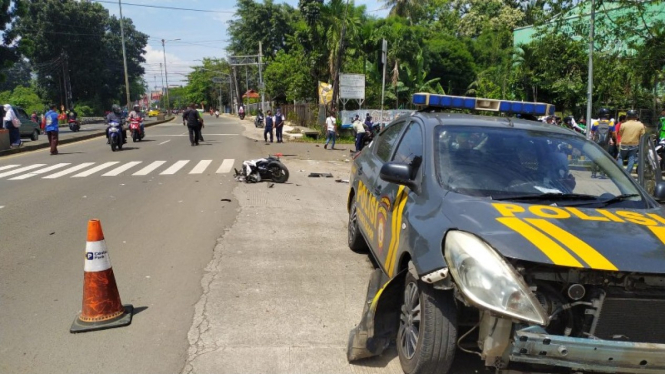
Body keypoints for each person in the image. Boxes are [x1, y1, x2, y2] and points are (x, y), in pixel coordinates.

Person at [590, 108, 615, 178]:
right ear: (607, 115)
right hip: (606, 143)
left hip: (596, 142)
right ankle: (602, 174)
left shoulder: (596, 123)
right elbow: (613, 133)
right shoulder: (611, 123)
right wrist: (611, 140)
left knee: (595, 157)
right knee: (604, 158)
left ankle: (593, 174)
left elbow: (592, 133)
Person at [618, 109, 645, 175]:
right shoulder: (640, 125)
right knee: (631, 158)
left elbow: (620, 133)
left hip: (624, 144)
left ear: (627, 116)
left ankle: (621, 172)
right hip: (634, 144)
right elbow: (643, 135)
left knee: (620, 157)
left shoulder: (623, 124)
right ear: (636, 116)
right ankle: (628, 173)